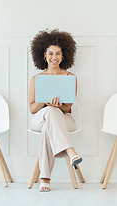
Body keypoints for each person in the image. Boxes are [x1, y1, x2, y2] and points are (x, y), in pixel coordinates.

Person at [29, 29, 82, 192]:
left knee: (50, 120)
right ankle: (70, 150)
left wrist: (59, 106)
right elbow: (32, 109)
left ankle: (45, 178)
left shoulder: (69, 77)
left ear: (63, 55)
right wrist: (44, 102)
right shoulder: (36, 79)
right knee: (49, 113)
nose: (54, 57)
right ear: (44, 55)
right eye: (50, 53)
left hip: (63, 119)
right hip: (39, 117)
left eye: (58, 53)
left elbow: (68, 108)